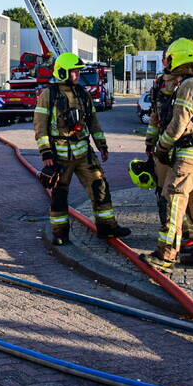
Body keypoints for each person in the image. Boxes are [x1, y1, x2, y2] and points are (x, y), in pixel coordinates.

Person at [34, 52, 130, 246]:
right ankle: (60, 234)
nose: (77, 75)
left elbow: (93, 121)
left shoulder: (82, 93)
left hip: (84, 154)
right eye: (74, 72)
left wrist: (101, 145)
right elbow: (40, 125)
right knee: (59, 195)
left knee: (99, 187)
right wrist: (46, 152)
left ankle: (107, 227)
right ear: (62, 72)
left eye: (78, 72)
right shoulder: (48, 95)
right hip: (60, 156)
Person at [142, 38, 193, 274]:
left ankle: (165, 255)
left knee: (173, 196)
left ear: (179, 58)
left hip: (187, 153)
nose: (167, 63)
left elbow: (179, 123)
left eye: (170, 58)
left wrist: (161, 148)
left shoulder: (190, 85)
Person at [144, 57, 193, 254]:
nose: (167, 85)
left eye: (170, 81)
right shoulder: (159, 94)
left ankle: (187, 235)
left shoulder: (184, 91)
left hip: (181, 148)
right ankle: (170, 232)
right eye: (164, 81)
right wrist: (150, 144)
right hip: (163, 150)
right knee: (163, 193)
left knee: (181, 195)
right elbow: (155, 121)